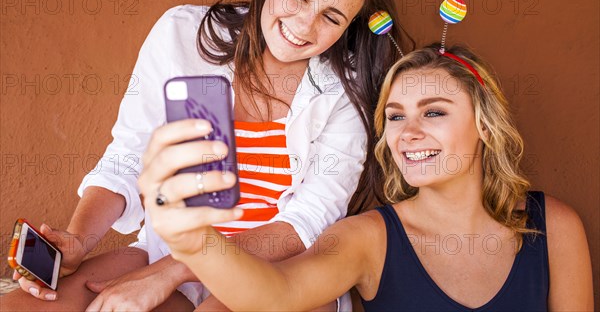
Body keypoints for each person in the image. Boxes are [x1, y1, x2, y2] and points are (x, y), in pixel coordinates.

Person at [2, 0, 412, 312]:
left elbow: (304, 224)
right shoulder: (182, 35)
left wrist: (172, 271)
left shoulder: (348, 89)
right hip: (167, 249)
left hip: (273, 271)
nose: (305, 26)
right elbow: (128, 154)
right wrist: (78, 239)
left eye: (332, 17)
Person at [141, 44, 594, 311]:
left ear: (484, 123)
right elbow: (276, 294)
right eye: (395, 117)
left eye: (433, 111)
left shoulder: (552, 226)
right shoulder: (366, 238)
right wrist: (192, 240)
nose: (409, 133)